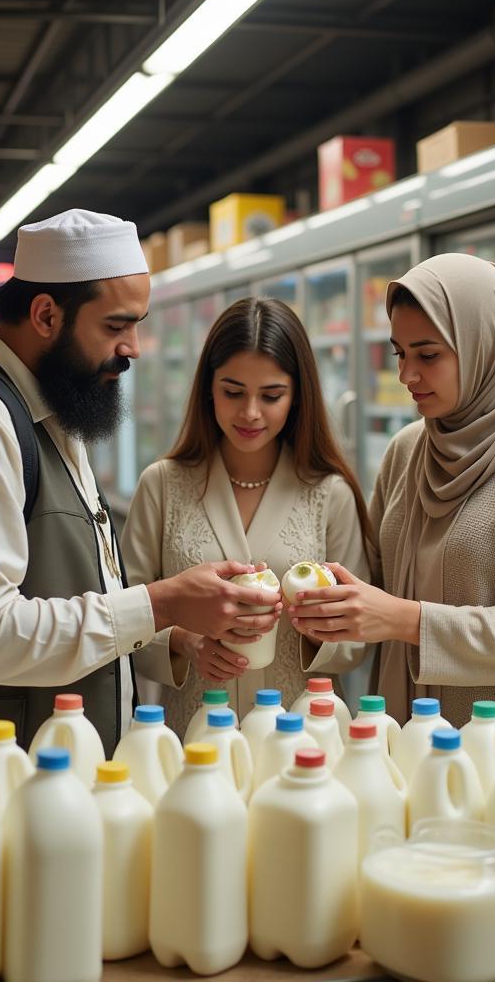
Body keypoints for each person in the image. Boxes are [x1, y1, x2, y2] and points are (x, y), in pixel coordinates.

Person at [0, 210, 282, 750]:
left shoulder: (48, 409)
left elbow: (79, 594)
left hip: (47, 767)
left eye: (137, 324)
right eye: (116, 326)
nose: (133, 347)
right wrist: (161, 602)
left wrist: (174, 630)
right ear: (45, 315)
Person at [289, 253, 495, 730]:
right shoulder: (409, 451)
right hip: (412, 740)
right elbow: (373, 594)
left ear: (483, 345)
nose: (408, 375)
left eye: (427, 355)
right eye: (399, 354)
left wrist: (404, 620)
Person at [122, 297, 371, 736]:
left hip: (303, 736)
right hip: (195, 735)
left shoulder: (329, 494)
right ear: (208, 390)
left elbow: (359, 640)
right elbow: (122, 620)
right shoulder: (163, 485)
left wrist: (315, 629)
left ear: (297, 397)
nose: (250, 412)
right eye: (233, 392)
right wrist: (186, 641)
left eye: (271, 395)